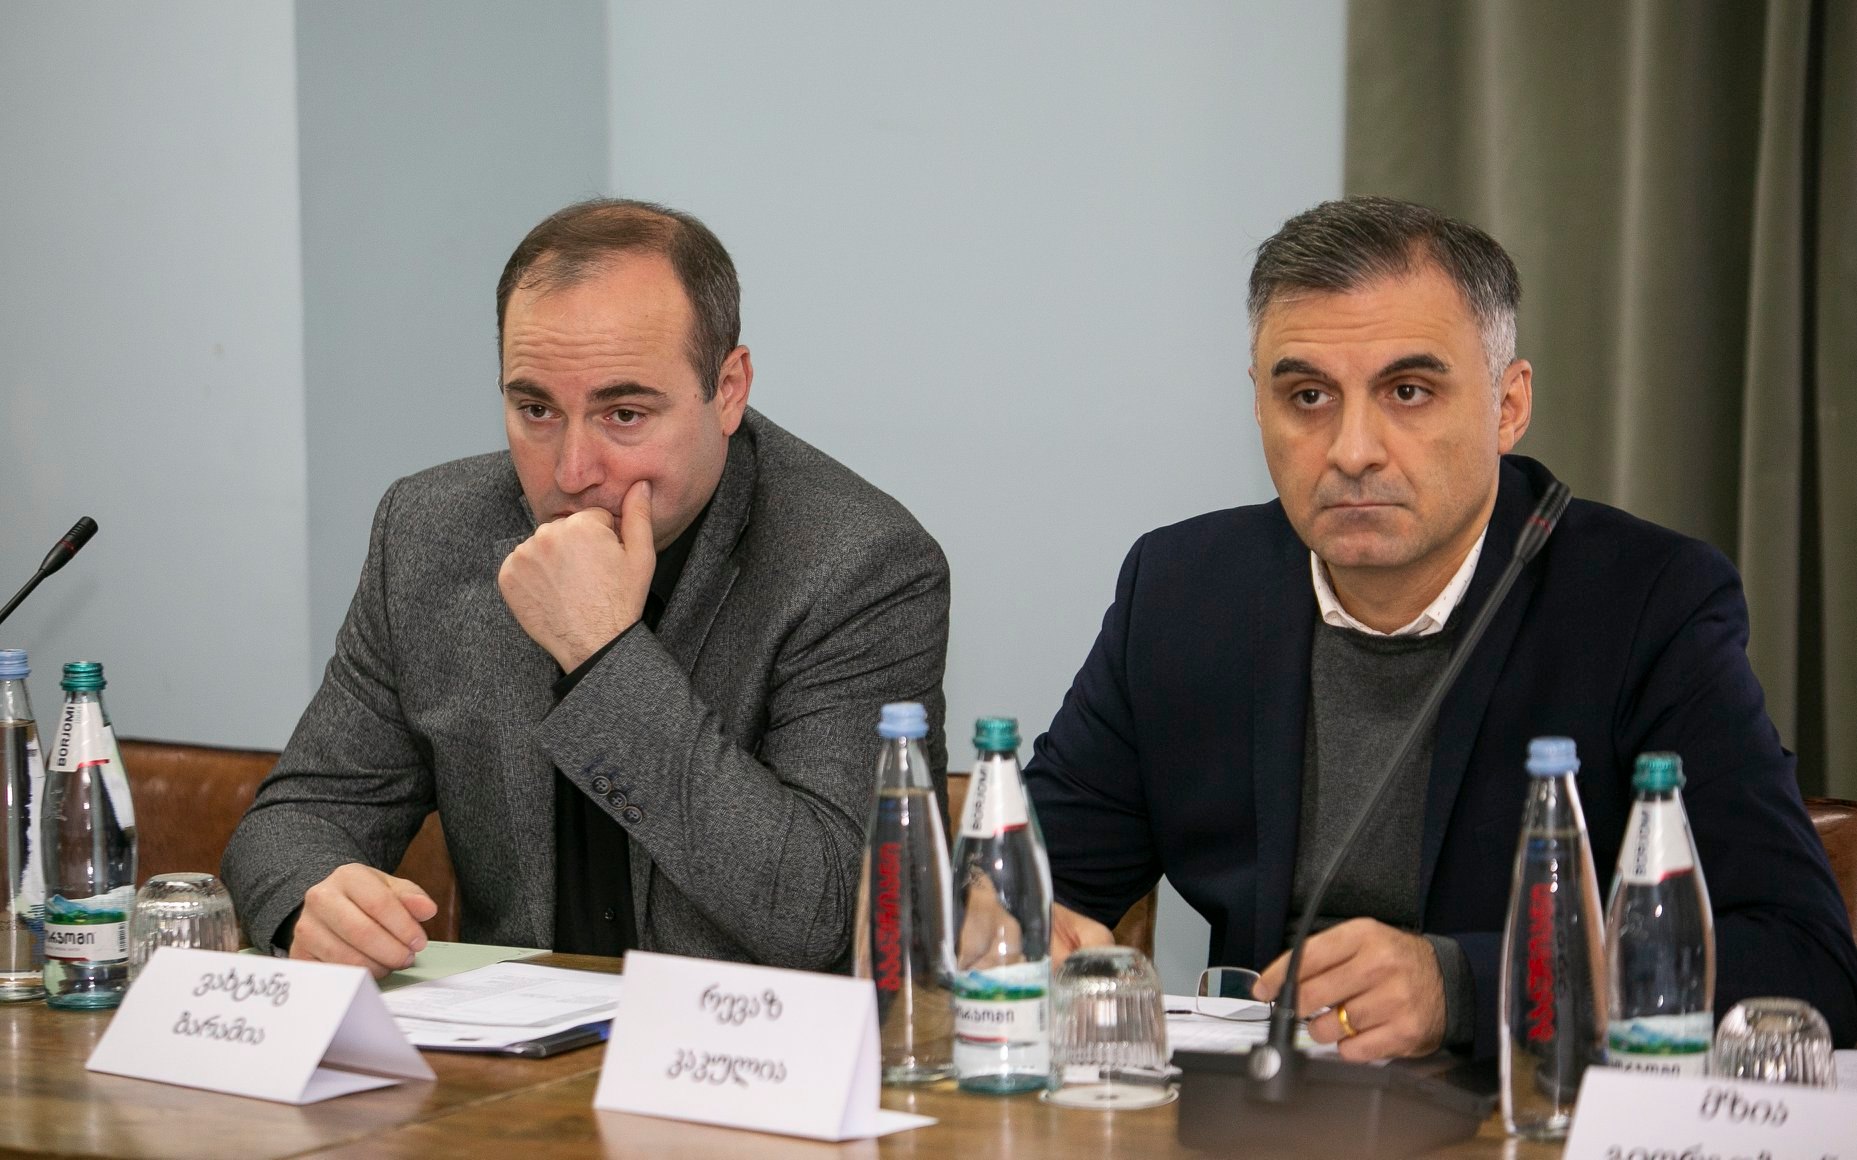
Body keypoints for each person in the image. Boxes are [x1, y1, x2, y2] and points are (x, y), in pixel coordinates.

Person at [1024, 196, 1857, 1061]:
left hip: (1518, 1107)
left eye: (1408, 392)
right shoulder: (1183, 590)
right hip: (1256, 1109)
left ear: (1508, 405)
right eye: (1307, 396)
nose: (1352, 450)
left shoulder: (1645, 602)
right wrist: (1007, 917)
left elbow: (1802, 962)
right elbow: (1034, 882)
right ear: (1259, 405)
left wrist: (1465, 987)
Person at [223, 199, 950, 976]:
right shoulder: (429, 533)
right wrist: (313, 902)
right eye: (535, 409)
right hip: (508, 1040)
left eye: (624, 413)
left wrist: (603, 656)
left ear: (729, 389)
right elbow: (295, 820)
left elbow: (833, 916)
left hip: (745, 1041)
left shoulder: (857, 564)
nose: (571, 473)